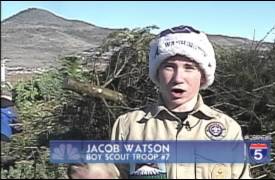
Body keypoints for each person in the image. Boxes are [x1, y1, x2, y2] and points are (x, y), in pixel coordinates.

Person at [68, 25, 251, 179]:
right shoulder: (129, 126)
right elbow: (114, 172)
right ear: (157, 73)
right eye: (169, 67)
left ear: (202, 76)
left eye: (189, 68)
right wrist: (94, 171)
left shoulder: (228, 130)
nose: (178, 78)